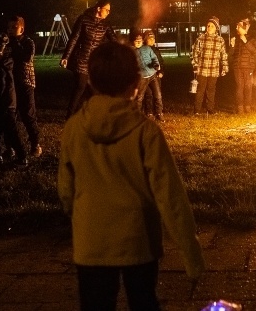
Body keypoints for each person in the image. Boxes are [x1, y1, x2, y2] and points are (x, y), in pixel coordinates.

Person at [58, 41, 205, 311]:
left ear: (90, 81)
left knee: (95, 305)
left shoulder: (73, 128)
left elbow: (66, 189)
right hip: (138, 241)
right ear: (136, 83)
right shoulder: (146, 132)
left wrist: (77, 212)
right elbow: (169, 193)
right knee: (143, 301)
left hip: (91, 240)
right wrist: (190, 251)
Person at [60, 0, 116, 118]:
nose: (108, 13)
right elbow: (74, 38)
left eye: (109, 11)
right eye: (107, 10)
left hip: (93, 61)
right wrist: (66, 57)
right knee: (80, 86)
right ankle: (69, 115)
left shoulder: (106, 24)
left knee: (93, 89)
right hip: (80, 58)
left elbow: (114, 40)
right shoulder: (83, 19)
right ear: (98, 9)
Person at [0, 31, 27, 166]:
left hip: (4, 104)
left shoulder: (1, 65)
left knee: (2, 132)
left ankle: (19, 157)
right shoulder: (2, 62)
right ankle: (9, 156)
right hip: (6, 103)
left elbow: (0, 85)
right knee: (4, 131)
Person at [7, 15, 43, 157]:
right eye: (9, 27)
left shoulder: (28, 42)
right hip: (10, 83)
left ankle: (35, 144)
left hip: (26, 82)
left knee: (28, 115)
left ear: (22, 28)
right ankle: (11, 146)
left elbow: (26, 57)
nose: (10, 30)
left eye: (14, 27)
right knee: (10, 116)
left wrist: (15, 43)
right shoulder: (8, 42)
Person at [191, 16, 229, 115]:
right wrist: (195, 65)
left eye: (212, 26)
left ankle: (210, 109)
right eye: (208, 26)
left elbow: (223, 54)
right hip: (202, 69)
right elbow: (194, 52)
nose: (209, 27)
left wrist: (224, 67)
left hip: (214, 70)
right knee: (200, 90)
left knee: (211, 90)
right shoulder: (201, 38)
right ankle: (197, 110)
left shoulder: (220, 40)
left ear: (216, 28)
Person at [131, 30, 162, 119]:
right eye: (136, 40)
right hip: (142, 77)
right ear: (133, 41)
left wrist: (156, 64)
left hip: (152, 75)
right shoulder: (132, 51)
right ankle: (138, 115)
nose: (138, 42)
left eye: (140, 40)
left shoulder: (147, 48)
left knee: (158, 95)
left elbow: (154, 57)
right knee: (140, 97)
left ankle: (159, 113)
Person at [229, 18, 256, 114]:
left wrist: (246, 41)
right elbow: (231, 54)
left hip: (248, 66)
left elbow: (255, 51)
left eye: (239, 26)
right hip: (238, 67)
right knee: (239, 87)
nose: (237, 28)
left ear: (245, 28)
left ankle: (247, 107)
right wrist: (232, 45)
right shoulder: (235, 39)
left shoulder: (252, 39)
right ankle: (240, 107)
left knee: (248, 87)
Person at [141, 30, 166, 121]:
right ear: (145, 40)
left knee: (158, 94)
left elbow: (160, 62)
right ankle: (149, 112)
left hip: (155, 75)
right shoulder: (143, 50)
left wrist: (161, 71)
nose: (152, 40)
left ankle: (159, 112)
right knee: (148, 95)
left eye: (153, 38)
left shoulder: (155, 50)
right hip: (146, 76)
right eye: (150, 38)